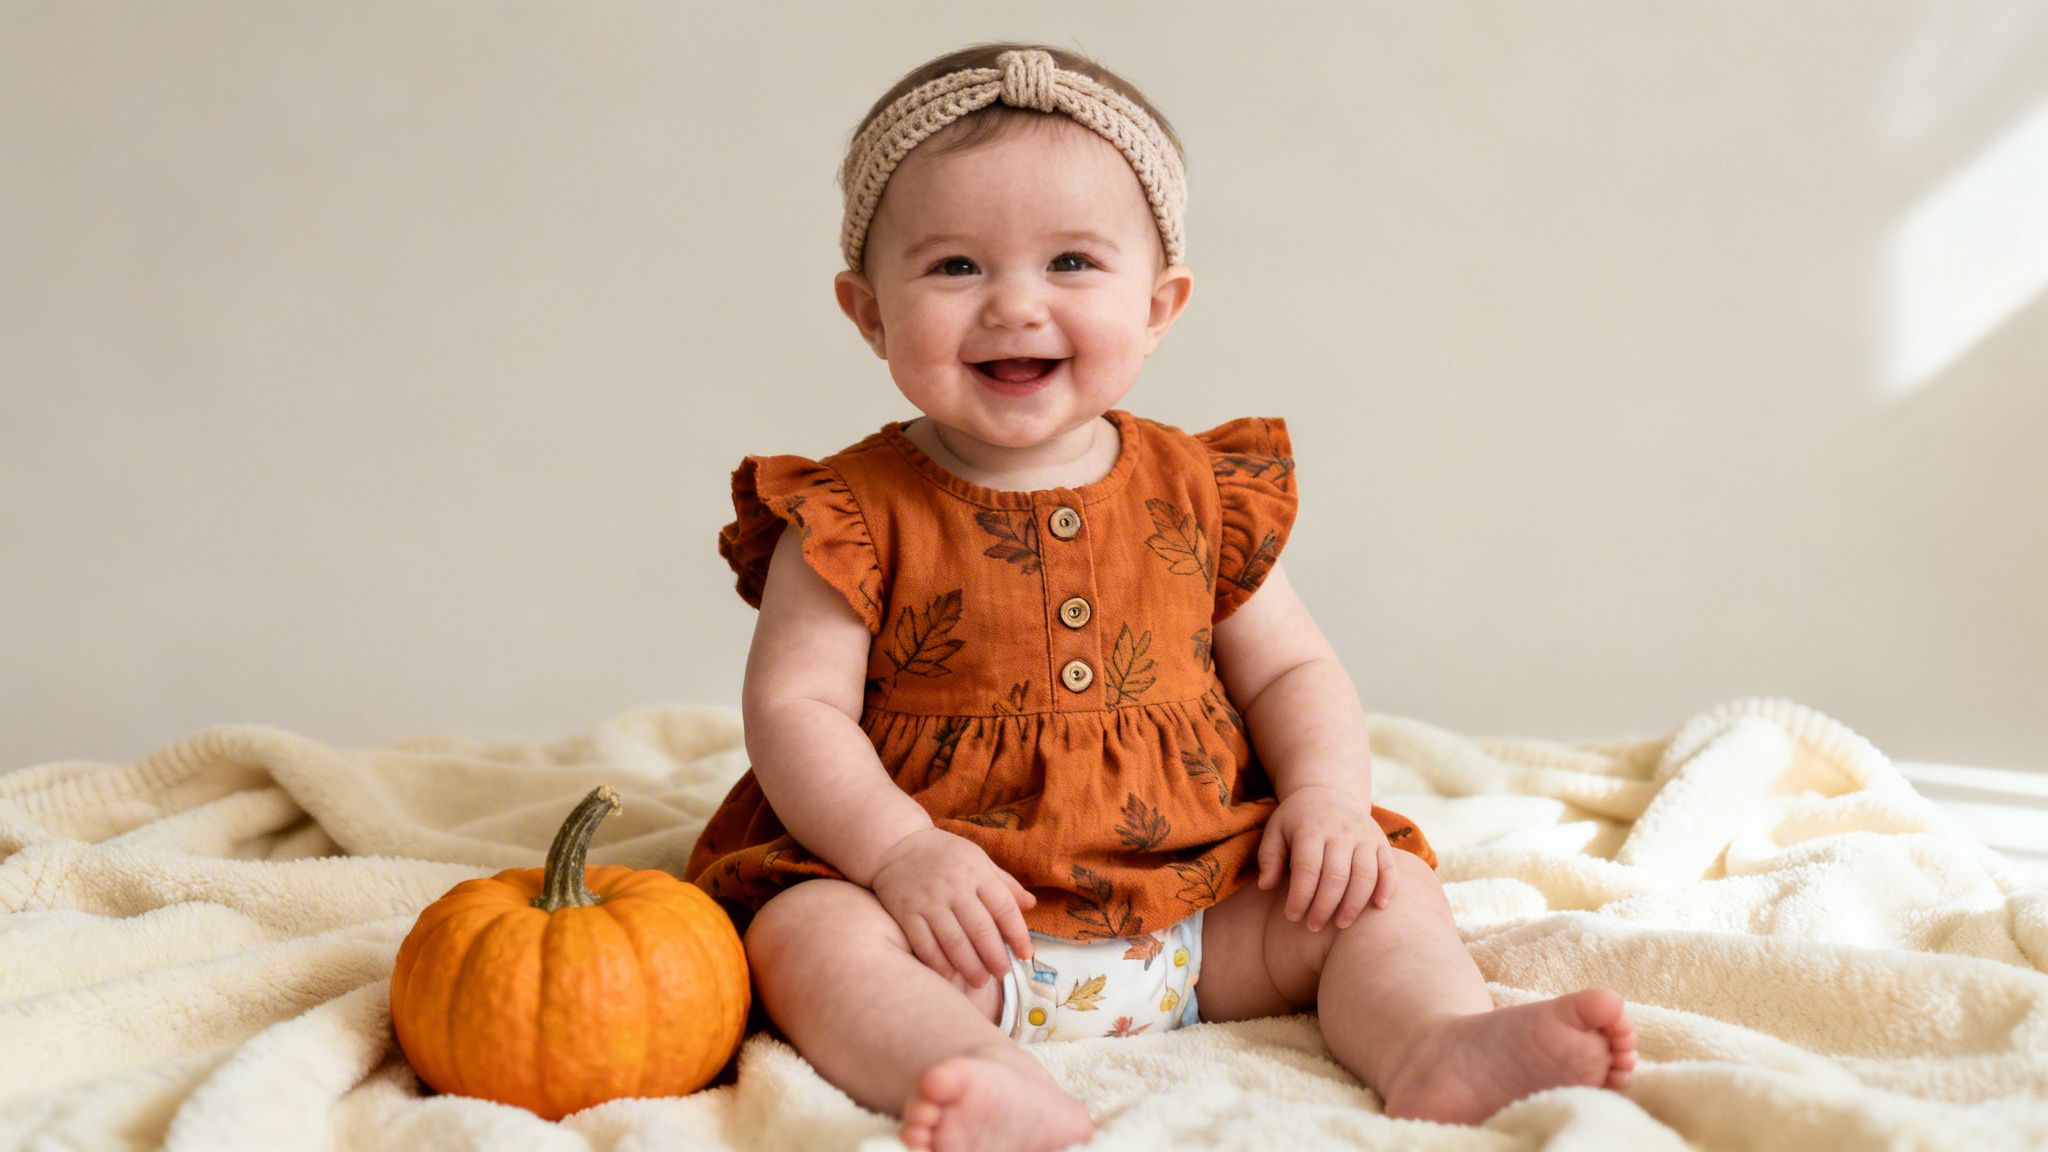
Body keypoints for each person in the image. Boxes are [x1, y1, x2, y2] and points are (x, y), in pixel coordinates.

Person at [685, 42, 1636, 1152]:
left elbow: (1290, 670)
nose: (1013, 306)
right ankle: (973, 1070)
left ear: (1158, 304)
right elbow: (794, 712)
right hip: (946, 924)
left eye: (1072, 263)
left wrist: (1325, 801)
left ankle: (1433, 1042)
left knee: (1381, 891)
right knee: (803, 936)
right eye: (953, 268)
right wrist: (897, 854)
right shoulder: (849, 512)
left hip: (1201, 903)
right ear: (866, 312)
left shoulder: (1198, 490)